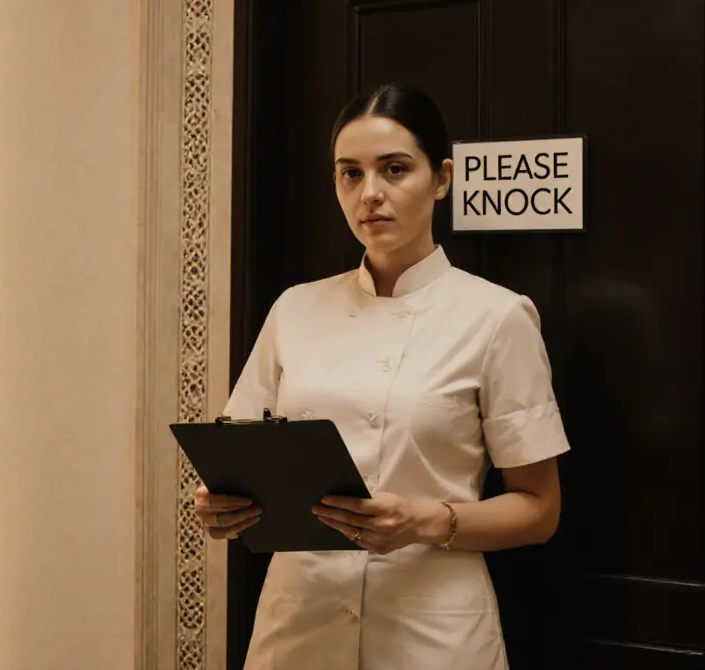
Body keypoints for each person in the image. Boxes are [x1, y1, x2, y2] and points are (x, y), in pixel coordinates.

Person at [192, 83, 570, 669]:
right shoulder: (295, 309)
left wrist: (425, 521)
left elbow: (540, 509)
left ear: (441, 179)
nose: (370, 193)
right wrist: (221, 507)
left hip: (433, 633)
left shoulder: (497, 317)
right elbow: (239, 453)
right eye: (351, 173)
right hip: (299, 625)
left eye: (395, 169)